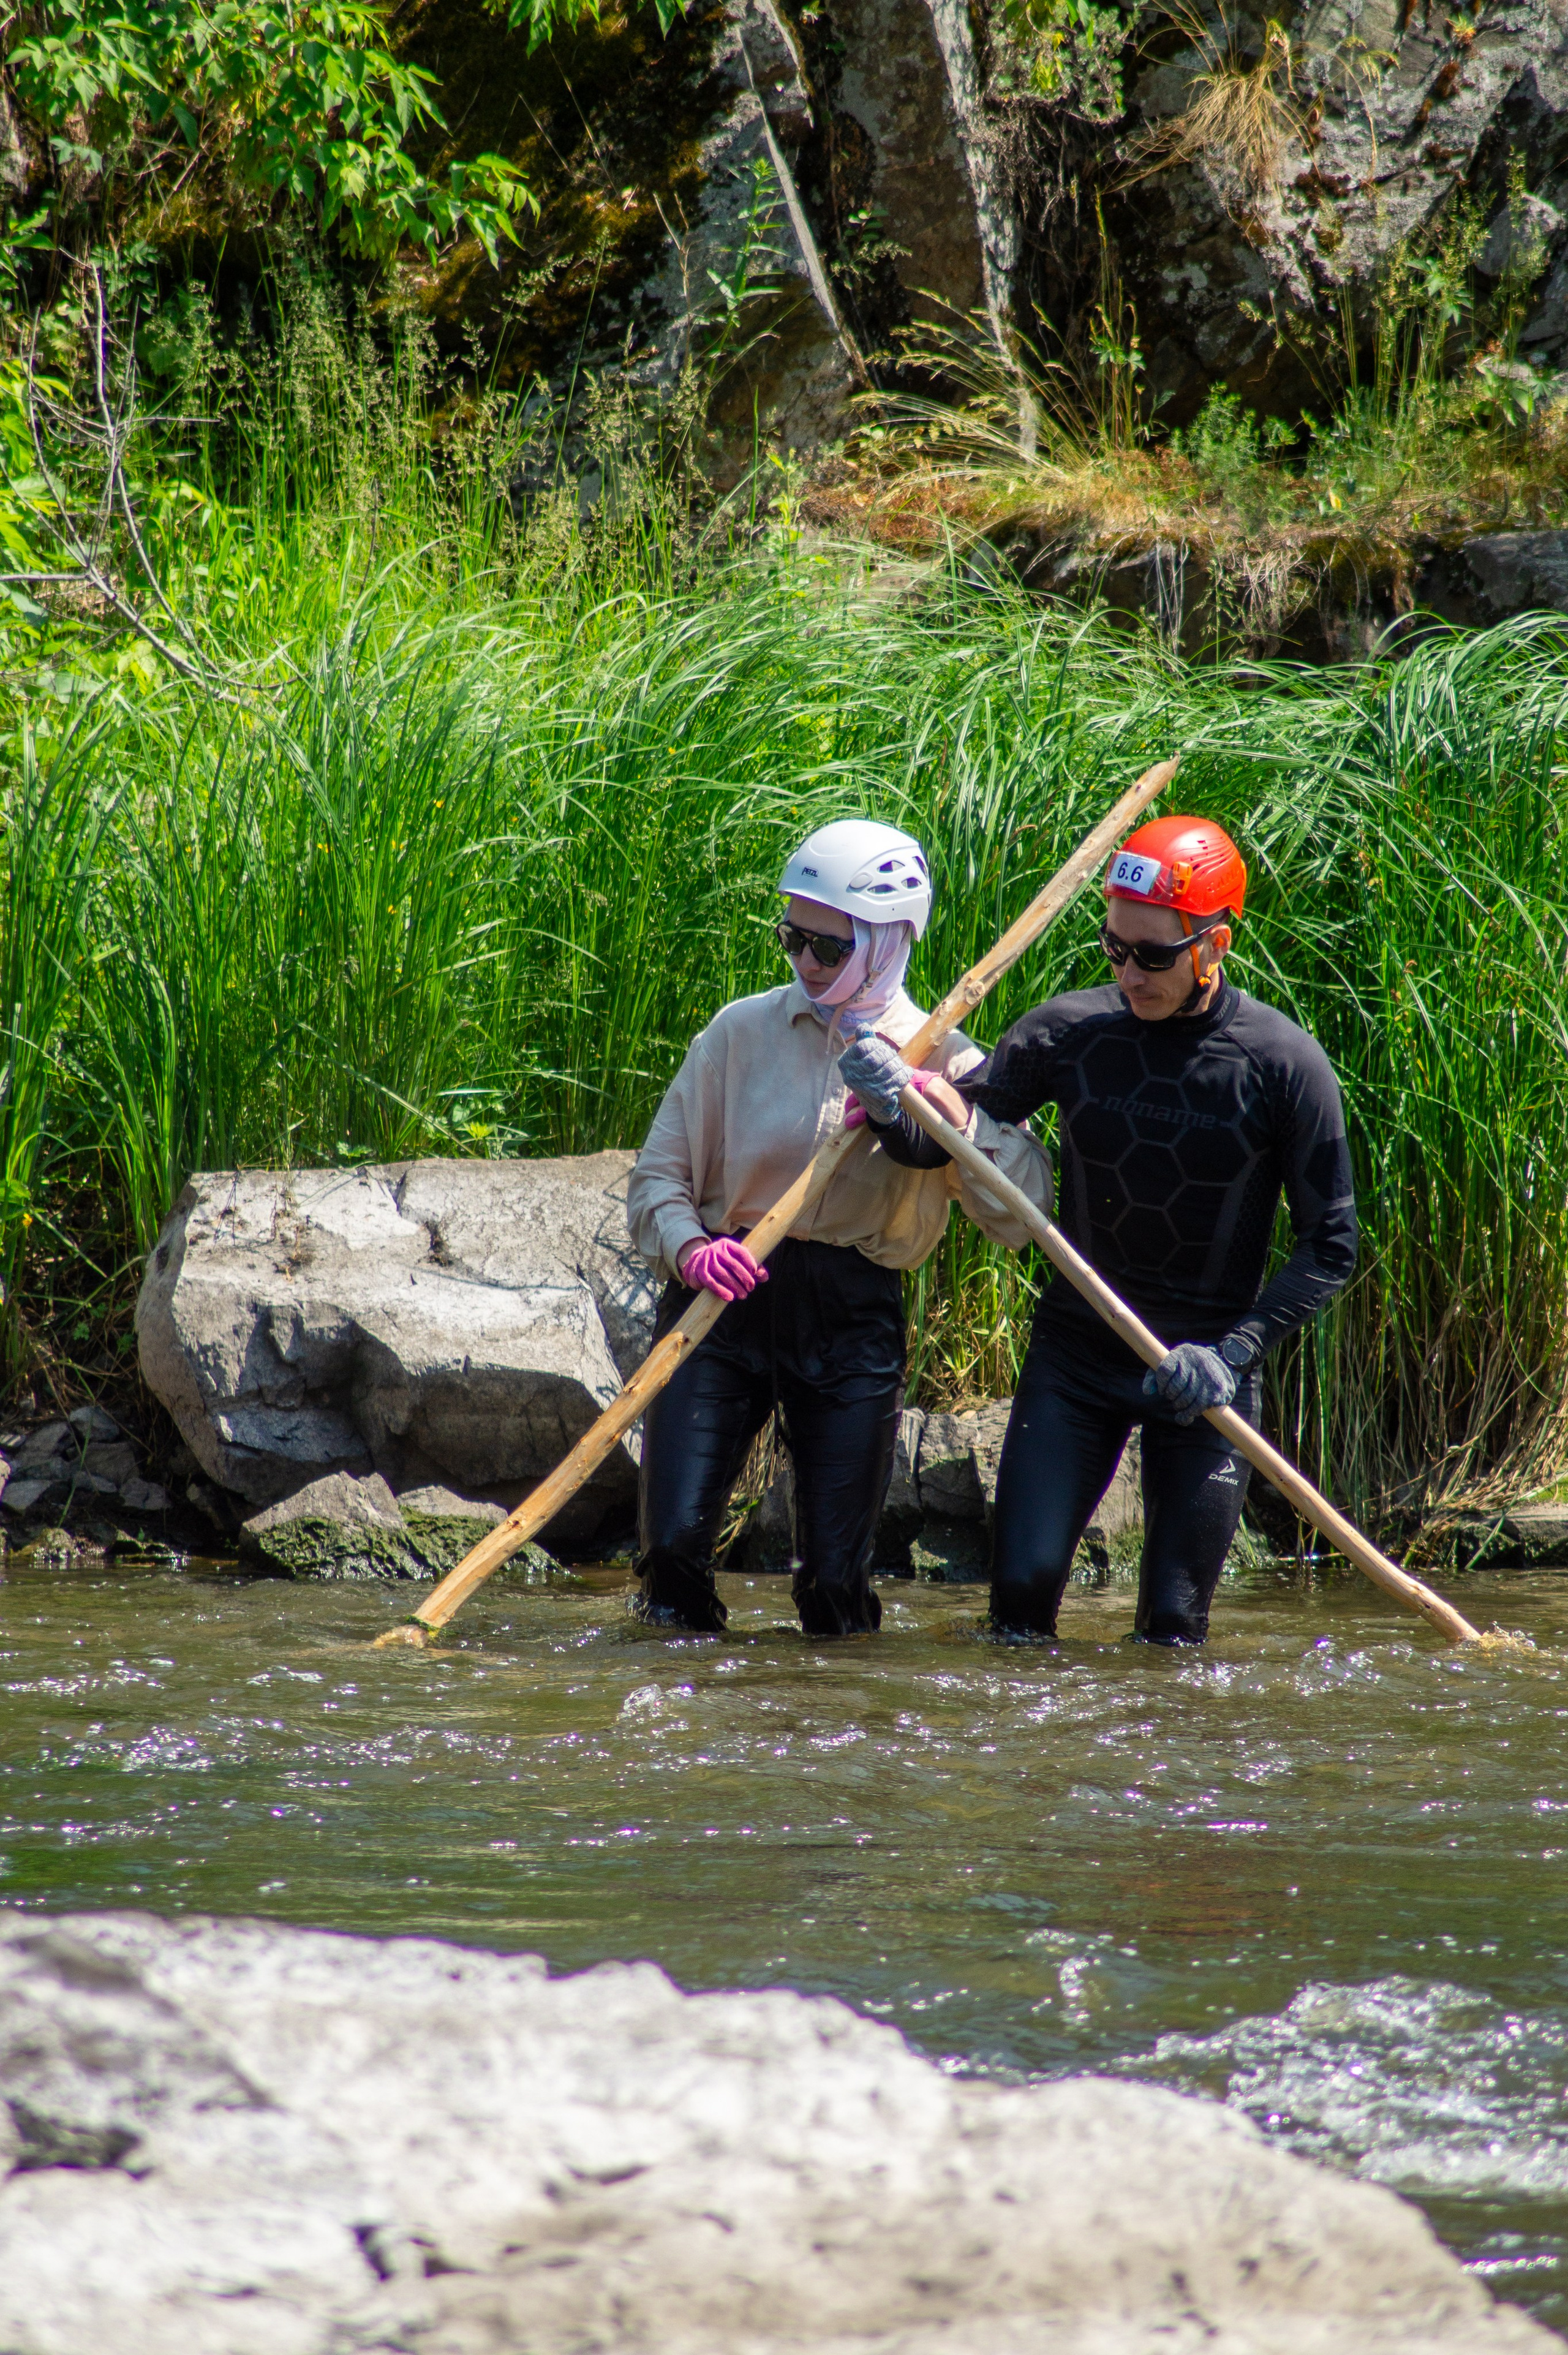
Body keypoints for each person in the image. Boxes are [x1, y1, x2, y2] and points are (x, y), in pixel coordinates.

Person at [839, 815, 1357, 1645]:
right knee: (1018, 1604)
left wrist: (1230, 1356)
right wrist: (886, 1098)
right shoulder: (1067, 1033)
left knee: (1174, 1629)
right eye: (1115, 948)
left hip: (1206, 1372)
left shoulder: (1285, 1067)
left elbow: (1332, 1247)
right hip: (1076, 1358)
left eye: (1153, 955)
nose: (1130, 973)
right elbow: (948, 1142)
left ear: (1214, 946)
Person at [625, 818, 1049, 1637]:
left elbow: (1022, 1207)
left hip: (852, 1313)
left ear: (888, 941)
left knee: (832, 1582)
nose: (805, 962)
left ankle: (827, 1732)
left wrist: (935, 1105)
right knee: (672, 1548)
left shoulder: (948, 1055)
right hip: (724, 1298)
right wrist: (691, 1247)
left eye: (828, 945)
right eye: (792, 938)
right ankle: (682, 1724)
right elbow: (656, 1179)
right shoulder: (737, 1031)